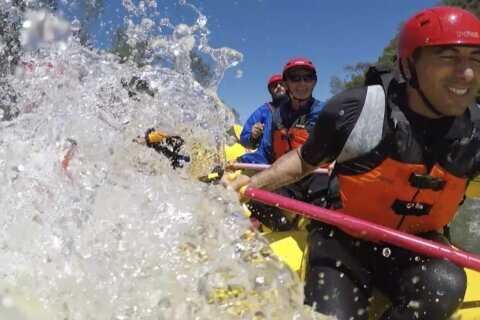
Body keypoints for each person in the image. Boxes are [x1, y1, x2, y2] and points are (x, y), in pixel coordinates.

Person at [224, 6, 480, 320]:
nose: (466, 73)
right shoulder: (354, 110)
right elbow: (303, 161)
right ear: (407, 65)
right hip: (343, 241)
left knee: (446, 282)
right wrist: (251, 185)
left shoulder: (476, 132)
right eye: (448, 57)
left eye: (476, 58)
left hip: (417, 247)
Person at [237, 58, 328, 231]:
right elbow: (264, 152)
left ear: (314, 81)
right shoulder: (276, 116)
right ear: (286, 83)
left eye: (307, 78)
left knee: (326, 199)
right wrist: (242, 161)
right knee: (255, 200)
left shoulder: (325, 113)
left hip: (318, 176)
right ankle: (287, 231)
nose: (302, 83)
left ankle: (316, 229)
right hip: (287, 180)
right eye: (295, 78)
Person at [239, 74, 288, 149]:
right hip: (269, 157)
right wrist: (253, 137)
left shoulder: (298, 106)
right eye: (274, 85)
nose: (278, 86)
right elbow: (243, 139)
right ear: (270, 91)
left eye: (281, 84)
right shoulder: (262, 111)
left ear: (287, 86)